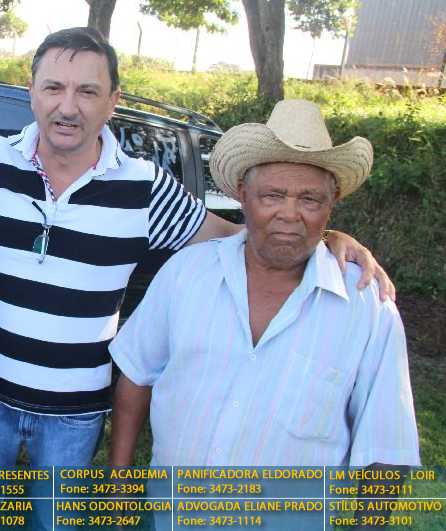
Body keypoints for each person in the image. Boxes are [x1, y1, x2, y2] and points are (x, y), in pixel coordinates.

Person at [0, 29, 391, 471]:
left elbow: (239, 236)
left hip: (78, 414)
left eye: (87, 91)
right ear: (32, 91)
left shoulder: (145, 188)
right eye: (54, 87)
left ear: (112, 101)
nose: (68, 105)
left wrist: (325, 237)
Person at [108, 98, 419, 468]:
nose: (289, 213)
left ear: (332, 202)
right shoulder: (185, 273)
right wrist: (119, 486)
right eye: (273, 195)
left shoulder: (367, 306)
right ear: (243, 195)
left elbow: (387, 451)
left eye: (310, 199)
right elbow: (136, 376)